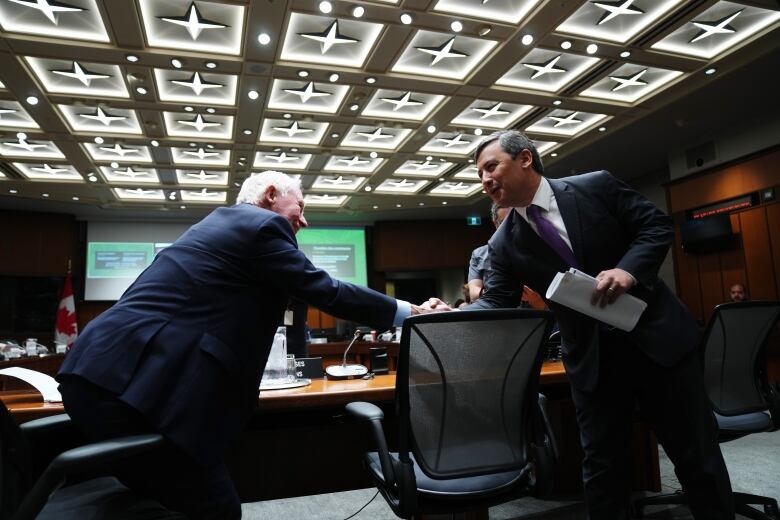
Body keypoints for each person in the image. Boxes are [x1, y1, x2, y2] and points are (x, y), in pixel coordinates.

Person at [57, 171, 438, 519]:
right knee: (216, 507)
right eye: (300, 208)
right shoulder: (259, 224)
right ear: (271, 195)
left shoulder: (219, 227)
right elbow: (325, 289)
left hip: (104, 374)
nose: (304, 221)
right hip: (135, 388)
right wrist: (410, 312)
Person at [430, 131, 733, 519]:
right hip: (594, 362)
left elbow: (656, 226)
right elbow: (495, 302)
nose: (485, 180)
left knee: (696, 457)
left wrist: (628, 271)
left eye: (492, 167)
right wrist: (451, 315)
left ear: (525, 159)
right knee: (603, 471)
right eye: (479, 174)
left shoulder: (595, 186)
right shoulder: (502, 244)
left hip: (657, 343)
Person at [466, 202, 511, 302]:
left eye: (513, 222)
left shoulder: (530, 248)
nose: (510, 228)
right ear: (495, 223)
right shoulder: (479, 254)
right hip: (496, 310)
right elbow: (474, 294)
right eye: (504, 223)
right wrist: (502, 293)